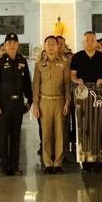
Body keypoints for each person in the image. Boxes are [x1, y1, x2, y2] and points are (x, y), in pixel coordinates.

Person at [0, 33, 32, 176]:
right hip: (4, 105)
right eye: (9, 43)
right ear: (5, 45)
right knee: (3, 137)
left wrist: (29, 101)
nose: (12, 45)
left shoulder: (22, 61)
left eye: (14, 42)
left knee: (16, 136)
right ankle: (4, 166)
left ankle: (14, 166)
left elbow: (27, 82)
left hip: (18, 104)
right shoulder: (0, 62)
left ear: (18, 45)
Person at [33, 35, 71, 174]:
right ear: (44, 46)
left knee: (60, 133)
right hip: (44, 102)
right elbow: (36, 86)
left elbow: (67, 85)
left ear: (57, 46)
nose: (50, 46)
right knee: (46, 133)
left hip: (60, 101)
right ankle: (48, 163)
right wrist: (35, 105)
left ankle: (58, 163)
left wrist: (67, 102)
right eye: (48, 44)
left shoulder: (64, 63)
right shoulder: (39, 64)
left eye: (53, 44)